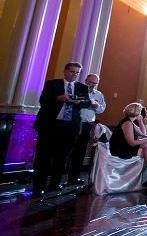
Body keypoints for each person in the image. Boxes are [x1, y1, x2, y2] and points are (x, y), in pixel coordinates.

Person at [31, 62, 91, 197]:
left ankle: (55, 183)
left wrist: (79, 102)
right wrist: (59, 98)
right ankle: (38, 187)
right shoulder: (53, 84)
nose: (74, 74)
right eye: (72, 71)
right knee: (43, 157)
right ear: (65, 71)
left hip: (70, 126)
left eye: (77, 72)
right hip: (51, 125)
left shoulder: (81, 87)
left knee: (62, 157)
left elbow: (87, 102)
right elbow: (43, 99)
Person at [66, 73, 106, 185]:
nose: (92, 85)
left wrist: (96, 106)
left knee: (80, 151)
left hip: (86, 125)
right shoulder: (77, 90)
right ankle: (58, 177)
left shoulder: (98, 95)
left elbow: (102, 108)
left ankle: (74, 177)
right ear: (85, 80)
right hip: (72, 123)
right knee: (67, 150)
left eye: (95, 83)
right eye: (91, 82)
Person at [109, 102, 147, 178]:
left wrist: (140, 121)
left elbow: (143, 133)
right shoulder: (127, 123)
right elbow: (131, 142)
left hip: (126, 145)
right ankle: (139, 175)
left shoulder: (130, 122)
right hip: (120, 149)